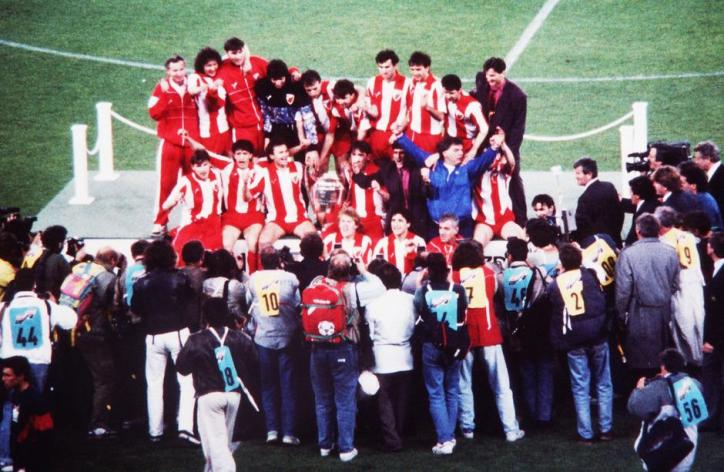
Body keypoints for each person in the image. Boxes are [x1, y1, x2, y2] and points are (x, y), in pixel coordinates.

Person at [304, 250, 385, 462]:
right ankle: (346, 448)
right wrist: (364, 270)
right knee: (345, 400)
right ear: (350, 269)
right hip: (343, 348)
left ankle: (324, 444)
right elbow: (380, 287)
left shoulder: (314, 285)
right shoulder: (352, 290)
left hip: (317, 348)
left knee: (322, 399)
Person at [451, 240, 525, 442]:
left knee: (464, 383)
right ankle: (510, 428)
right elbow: (494, 294)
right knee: (501, 384)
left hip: (464, 333)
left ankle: (467, 427)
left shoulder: (454, 276)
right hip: (488, 330)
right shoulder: (488, 273)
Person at [177, 298, 257, 472]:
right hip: (233, 396)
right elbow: (254, 361)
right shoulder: (240, 338)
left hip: (209, 396)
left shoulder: (196, 339)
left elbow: (182, 368)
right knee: (220, 443)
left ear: (205, 316)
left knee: (216, 444)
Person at [131, 240, 197, 443]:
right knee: (186, 383)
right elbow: (189, 299)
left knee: (154, 384)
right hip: (177, 332)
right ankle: (185, 427)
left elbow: (136, 309)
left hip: (153, 336)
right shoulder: (180, 278)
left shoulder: (141, 281)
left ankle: (155, 431)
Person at [548, 244, 613, 443]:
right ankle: (606, 429)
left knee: (580, 386)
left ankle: (585, 432)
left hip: (574, 340)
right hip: (598, 335)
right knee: (603, 383)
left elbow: (552, 303)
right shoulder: (591, 275)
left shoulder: (556, 283)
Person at [393, 132, 504, 239]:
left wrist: (494, 147)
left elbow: (483, 160)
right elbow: (414, 151)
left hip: (462, 227)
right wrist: (400, 136)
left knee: (463, 257)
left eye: (461, 150)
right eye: (456, 150)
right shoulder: (433, 165)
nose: (461, 153)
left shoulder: (466, 168)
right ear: (445, 153)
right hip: (436, 227)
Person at [414, 252, 469, 455]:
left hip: (431, 345)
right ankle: (449, 436)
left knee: (436, 392)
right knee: (451, 390)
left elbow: (418, 311)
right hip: (454, 344)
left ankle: (445, 438)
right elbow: (464, 310)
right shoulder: (458, 290)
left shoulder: (422, 291)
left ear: (428, 270)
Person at [245, 247, 301, 445]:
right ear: (278, 260)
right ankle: (288, 432)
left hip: (263, 337)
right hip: (286, 336)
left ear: (261, 261)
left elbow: (248, 304)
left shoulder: (253, 279)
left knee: (268, 385)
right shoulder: (291, 278)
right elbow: (298, 305)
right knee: (288, 386)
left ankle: (272, 430)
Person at [615, 214, 680, 379]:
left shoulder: (628, 254)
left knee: (640, 361)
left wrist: (621, 315)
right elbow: (675, 284)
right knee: (662, 357)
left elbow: (623, 290)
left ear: (638, 231)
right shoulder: (671, 252)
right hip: (664, 311)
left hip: (639, 311)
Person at [500, 237, 553, 428]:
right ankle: (544, 415)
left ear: (509, 255)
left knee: (526, 373)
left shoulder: (502, 276)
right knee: (545, 372)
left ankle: (531, 413)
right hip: (539, 328)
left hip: (517, 330)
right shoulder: (538, 272)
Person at [365, 262, 415, 451]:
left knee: (384, 401)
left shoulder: (373, 304)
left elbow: (370, 334)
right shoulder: (410, 300)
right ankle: (397, 434)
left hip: (383, 356)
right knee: (401, 399)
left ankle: (392, 438)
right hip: (405, 354)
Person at [148, 55, 200, 236]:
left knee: (193, 183)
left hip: (191, 144)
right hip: (170, 144)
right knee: (166, 184)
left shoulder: (193, 84)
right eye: (174, 70)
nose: (178, 73)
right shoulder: (161, 88)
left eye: (181, 69)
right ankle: (160, 222)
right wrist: (165, 97)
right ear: (168, 71)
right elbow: (153, 113)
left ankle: (192, 220)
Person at [473, 57, 528, 225]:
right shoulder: (482, 82)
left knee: (513, 180)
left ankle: (520, 220)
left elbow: (518, 129)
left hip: (506, 144)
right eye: (488, 76)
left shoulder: (517, 96)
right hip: (483, 144)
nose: (490, 80)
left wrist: (507, 151)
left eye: (493, 76)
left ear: (503, 73)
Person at [628, 349, 703, 471]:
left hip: (659, 453)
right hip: (687, 449)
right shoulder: (696, 384)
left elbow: (635, 408)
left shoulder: (657, 387)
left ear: (663, 366)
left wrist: (639, 390)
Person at [74, 247, 119, 438]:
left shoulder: (80, 269)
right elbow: (114, 306)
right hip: (96, 332)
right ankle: (97, 424)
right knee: (104, 379)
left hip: (75, 329)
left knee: (87, 376)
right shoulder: (107, 278)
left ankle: (80, 417)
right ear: (111, 260)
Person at [655, 206, 706, 366]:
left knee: (683, 326)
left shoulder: (663, 243)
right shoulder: (687, 236)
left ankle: (691, 361)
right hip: (696, 282)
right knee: (699, 320)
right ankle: (700, 356)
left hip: (681, 286)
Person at [252, 139, 317, 249]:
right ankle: (266, 267)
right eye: (281, 152)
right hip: (276, 220)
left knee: (315, 241)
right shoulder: (264, 171)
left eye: (286, 151)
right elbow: (249, 195)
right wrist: (245, 182)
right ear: (272, 156)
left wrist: (312, 169)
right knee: (263, 242)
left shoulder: (298, 166)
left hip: (299, 219)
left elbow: (312, 182)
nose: (286, 155)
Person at [160, 150, 223, 257]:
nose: (202, 169)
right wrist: (175, 200)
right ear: (193, 167)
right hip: (191, 224)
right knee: (179, 253)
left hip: (213, 223)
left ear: (210, 164)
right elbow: (166, 205)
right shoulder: (185, 181)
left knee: (212, 254)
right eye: (198, 166)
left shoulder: (217, 175)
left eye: (205, 165)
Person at [217, 38, 268, 155]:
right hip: (242, 128)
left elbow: (278, 70)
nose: (238, 56)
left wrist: (294, 71)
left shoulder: (256, 62)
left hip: (265, 124)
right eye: (233, 53)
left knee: (265, 161)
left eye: (240, 52)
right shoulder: (223, 70)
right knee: (246, 162)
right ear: (227, 53)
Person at [1, 356, 53, 472]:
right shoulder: (15, 394)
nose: (3, 379)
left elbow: (42, 436)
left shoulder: (35, 401)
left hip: (32, 459)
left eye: (8, 375)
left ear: (20, 377)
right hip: (19, 454)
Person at [221, 139, 265, 272]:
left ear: (251, 155)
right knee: (226, 245)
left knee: (252, 243)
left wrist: (245, 183)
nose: (241, 157)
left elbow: (248, 198)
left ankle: (253, 278)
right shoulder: (226, 168)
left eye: (245, 154)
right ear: (234, 155)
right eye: (238, 154)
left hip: (253, 217)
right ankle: (230, 278)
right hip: (232, 217)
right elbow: (206, 154)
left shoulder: (259, 172)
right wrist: (188, 139)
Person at [254, 59, 315, 155]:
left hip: (297, 129)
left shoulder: (297, 85)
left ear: (286, 75)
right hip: (277, 130)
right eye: (274, 79)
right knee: (276, 159)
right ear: (269, 78)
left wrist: (312, 144)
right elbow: (266, 115)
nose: (278, 83)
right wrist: (267, 137)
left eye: (281, 79)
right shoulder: (262, 87)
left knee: (302, 161)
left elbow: (307, 115)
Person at [471, 137, 525, 246]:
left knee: (518, 242)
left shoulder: (502, 171)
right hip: (484, 222)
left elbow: (512, 162)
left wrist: (503, 144)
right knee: (477, 245)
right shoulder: (475, 173)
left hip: (505, 220)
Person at [363, 49, 411, 159]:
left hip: (395, 135)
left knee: (397, 171)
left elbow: (411, 112)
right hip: (376, 135)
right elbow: (371, 108)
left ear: (395, 65)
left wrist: (399, 131)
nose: (384, 71)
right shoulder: (372, 82)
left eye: (387, 67)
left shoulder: (407, 83)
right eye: (380, 67)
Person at [188, 47, 231, 166]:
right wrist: (203, 88)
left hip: (225, 129)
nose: (212, 68)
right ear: (202, 66)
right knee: (212, 164)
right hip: (208, 132)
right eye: (208, 65)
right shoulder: (196, 77)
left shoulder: (219, 77)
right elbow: (191, 90)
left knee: (229, 163)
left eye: (214, 64)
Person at [573, 157, 624, 247]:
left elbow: (582, 229)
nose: (575, 176)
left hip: (599, 249)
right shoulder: (609, 187)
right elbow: (620, 214)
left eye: (578, 173)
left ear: (589, 174)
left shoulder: (584, 198)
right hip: (616, 243)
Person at [343, 141, 389, 240]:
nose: (356, 159)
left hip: (375, 222)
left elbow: (387, 197)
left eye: (360, 155)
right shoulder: (348, 172)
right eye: (354, 155)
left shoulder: (377, 172)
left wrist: (380, 190)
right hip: (356, 222)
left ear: (368, 157)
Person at [702, 232, 724, 433]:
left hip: (717, 340)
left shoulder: (719, 277)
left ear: (712, 249)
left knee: (712, 378)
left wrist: (712, 340)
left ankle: (712, 417)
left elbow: (717, 313)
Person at [404, 52, 445, 153]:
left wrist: (427, 107)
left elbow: (442, 117)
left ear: (427, 68)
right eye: (412, 69)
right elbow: (410, 109)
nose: (415, 73)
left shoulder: (437, 86)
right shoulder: (412, 82)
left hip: (430, 137)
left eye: (418, 69)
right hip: (412, 133)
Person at [441, 74, 488, 158]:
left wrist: (474, 150)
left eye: (451, 93)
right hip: (450, 143)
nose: (448, 96)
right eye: (446, 92)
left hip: (465, 146)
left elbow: (484, 129)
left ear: (460, 90)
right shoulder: (446, 97)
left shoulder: (472, 106)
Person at [373, 209, 426, 276]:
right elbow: (375, 268)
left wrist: (411, 254)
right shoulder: (382, 243)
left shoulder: (419, 241)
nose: (396, 224)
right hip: (389, 283)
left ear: (408, 224)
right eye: (393, 220)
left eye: (400, 221)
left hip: (412, 282)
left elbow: (422, 268)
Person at [202, 249, 247, 326]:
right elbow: (248, 297)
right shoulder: (234, 284)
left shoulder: (206, 283)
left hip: (213, 322)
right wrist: (240, 271)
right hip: (233, 323)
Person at [679, 161, 722, 230]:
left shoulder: (705, 201)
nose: (680, 185)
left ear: (693, 186)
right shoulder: (695, 198)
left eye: (682, 183)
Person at [31, 225, 70, 299]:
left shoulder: (39, 257)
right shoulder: (60, 260)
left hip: (38, 298)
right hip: (54, 299)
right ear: (60, 244)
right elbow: (68, 284)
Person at [621, 176, 659, 246]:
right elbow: (631, 205)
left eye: (631, 193)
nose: (630, 196)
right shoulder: (651, 203)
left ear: (637, 196)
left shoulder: (643, 213)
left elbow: (633, 235)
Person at [693, 140, 723, 220]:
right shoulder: (708, 174)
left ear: (708, 158)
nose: (695, 162)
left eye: (698, 159)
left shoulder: (721, 175)